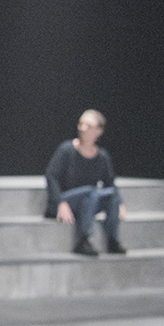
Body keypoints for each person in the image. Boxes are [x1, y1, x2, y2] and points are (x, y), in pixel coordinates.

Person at [45, 109, 127, 256]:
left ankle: (112, 240)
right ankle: (83, 240)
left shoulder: (101, 156)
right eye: (81, 124)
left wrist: (119, 203)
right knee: (90, 191)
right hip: (67, 200)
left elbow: (110, 182)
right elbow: (52, 176)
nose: (83, 128)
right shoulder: (67, 150)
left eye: (88, 125)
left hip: (88, 201)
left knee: (110, 194)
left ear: (98, 131)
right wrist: (60, 202)